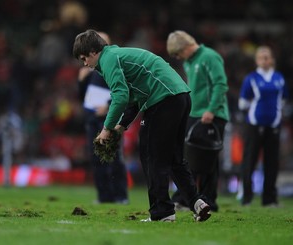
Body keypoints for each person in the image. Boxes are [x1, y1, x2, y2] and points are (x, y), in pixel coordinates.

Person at [73, 29, 211, 222]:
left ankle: (162, 212)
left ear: (94, 52)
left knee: (151, 156)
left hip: (163, 101)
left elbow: (120, 97)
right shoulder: (118, 55)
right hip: (180, 97)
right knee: (174, 158)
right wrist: (121, 125)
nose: (85, 64)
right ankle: (197, 202)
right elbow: (132, 98)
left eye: (83, 58)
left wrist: (106, 128)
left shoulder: (108, 58)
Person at [166, 31, 230, 212]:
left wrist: (212, 109)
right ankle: (191, 198)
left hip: (212, 114)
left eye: (178, 53)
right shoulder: (189, 61)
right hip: (195, 114)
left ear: (184, 47)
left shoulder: (210, 56)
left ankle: (202, 199)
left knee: (207, 159)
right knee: (190, 158)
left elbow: (220, 84)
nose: (178, 57)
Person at [77, 32, 129, 204]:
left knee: (114, 157)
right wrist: (81, 81)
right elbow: (83, 96)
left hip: (110, 117)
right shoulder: (92, 69)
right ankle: (104, 196)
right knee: (96, 158)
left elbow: (123, 89)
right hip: (92, 118)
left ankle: (120, 196)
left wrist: (107, 105)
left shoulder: (112, 62)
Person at [238, 46, 289, 207]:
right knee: (249, 160)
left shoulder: (279, 78)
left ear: (272, 59)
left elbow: (283, 99)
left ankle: (269, 199)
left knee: (272, 162)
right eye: (262, 57)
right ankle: (246, 196)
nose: (265, 60)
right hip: (254, 124)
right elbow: (243, 103)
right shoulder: (251, 78)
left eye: (267, 57)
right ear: (257, 61)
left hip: (273, 124)